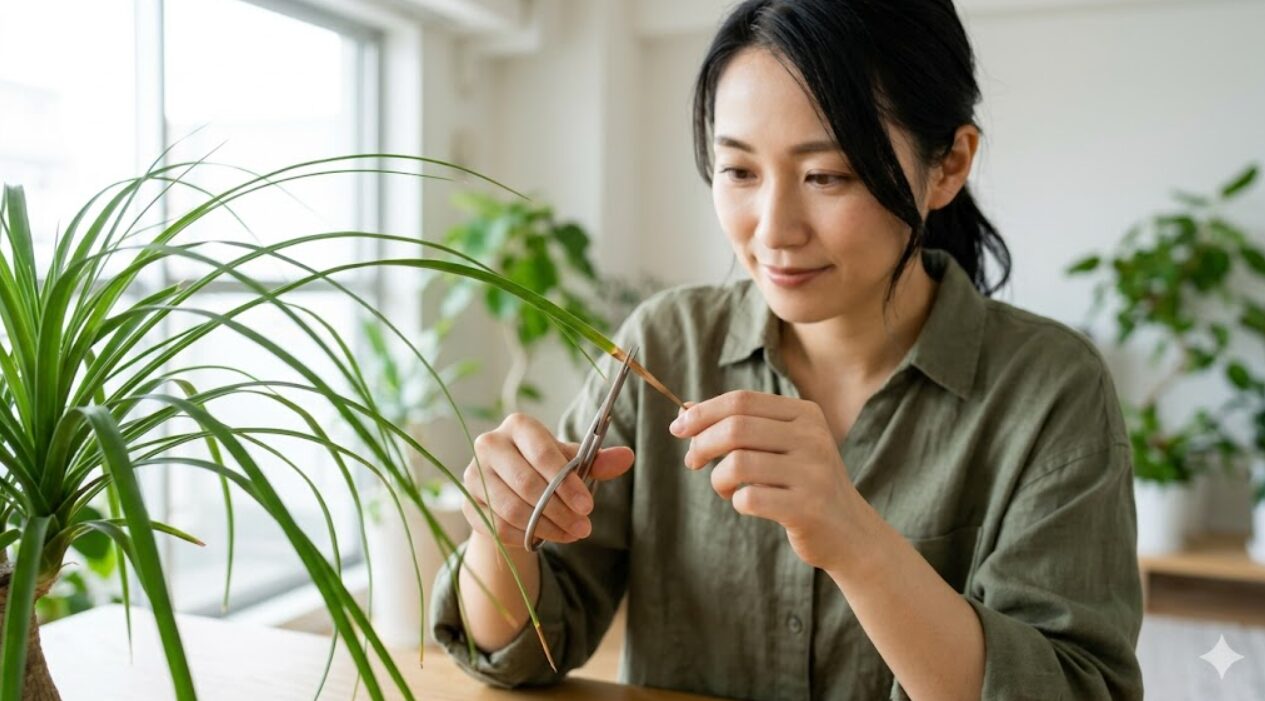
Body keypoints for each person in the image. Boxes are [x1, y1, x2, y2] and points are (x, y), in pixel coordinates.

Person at [430, 1, 1144, 699]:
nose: (773, 231)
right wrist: (501, 535)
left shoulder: (1050, 390)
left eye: (826, 175)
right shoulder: (666, 342)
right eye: (739, 171)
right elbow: (521, 653)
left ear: (948, 165)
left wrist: (853, 538)